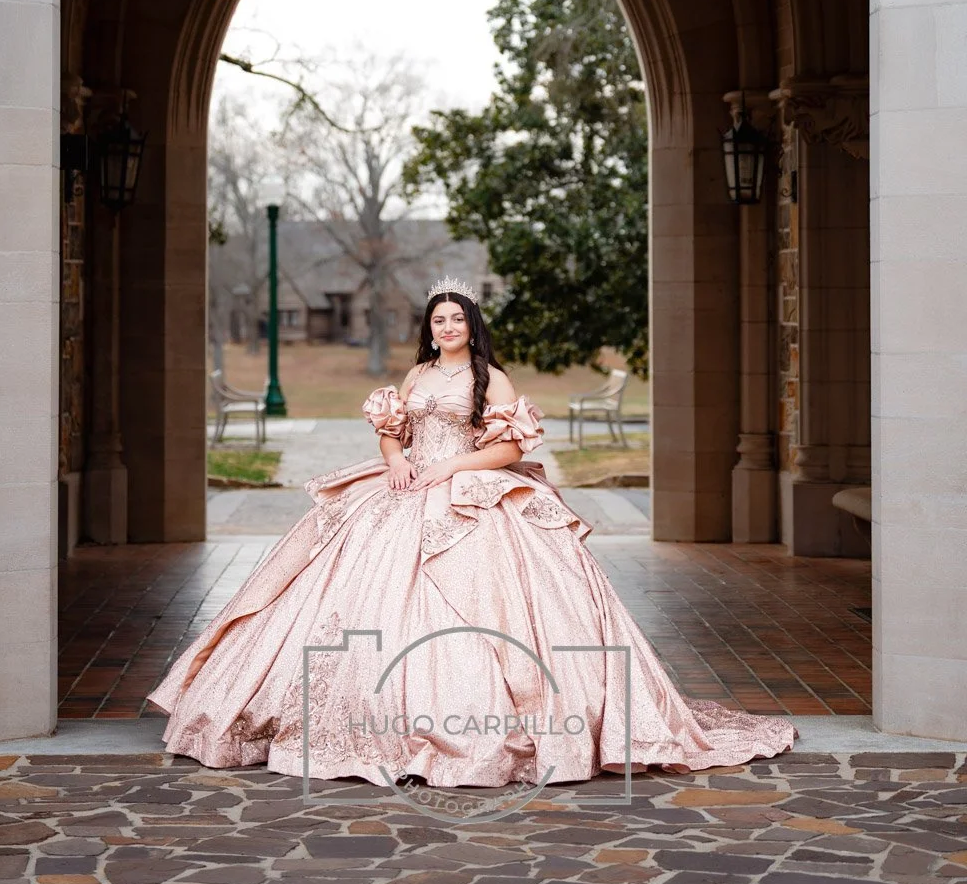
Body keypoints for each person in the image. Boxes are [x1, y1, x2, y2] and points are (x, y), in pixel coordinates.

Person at [148, 277, 796, 784]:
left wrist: (452, 466)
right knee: (339, 584)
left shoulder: (494, 378)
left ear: (470, 326)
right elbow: (392, 426)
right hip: (404, 488)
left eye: (457, 317)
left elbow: (511, 450)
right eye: (439, 318)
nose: (448, 326)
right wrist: (399, 461)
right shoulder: (418, 375)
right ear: (428, 329)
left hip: (467, 489)